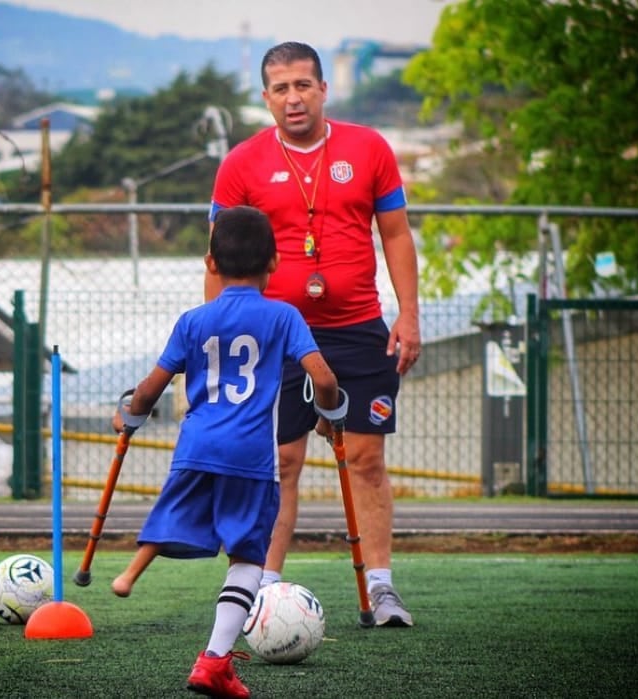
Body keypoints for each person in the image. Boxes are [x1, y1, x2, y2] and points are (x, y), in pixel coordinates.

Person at [207, 41, 422, 628]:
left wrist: (408, 314)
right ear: (266, 97)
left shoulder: (369, 148)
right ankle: (261, 590)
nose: (293, 98)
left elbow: (396, 235)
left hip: (358, 328)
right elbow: (217, 258)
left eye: (303, 85)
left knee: (367, 459)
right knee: (281, 460)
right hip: (273, 334)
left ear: (323, 89)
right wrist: (217, 338)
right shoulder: (241, 163)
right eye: (281, 88)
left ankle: (382, 589)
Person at [112, 205, 340, 699]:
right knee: (248, 556)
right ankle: (214, 660)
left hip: (195, 446)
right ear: (274, 263)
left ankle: (129, 573)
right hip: (250, 456)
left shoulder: (193, 320)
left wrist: (129, 412)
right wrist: (327, 415)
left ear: (210, 264)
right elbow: (323, 379)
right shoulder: (284, 316)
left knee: (174, 512)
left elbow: (150, 389)